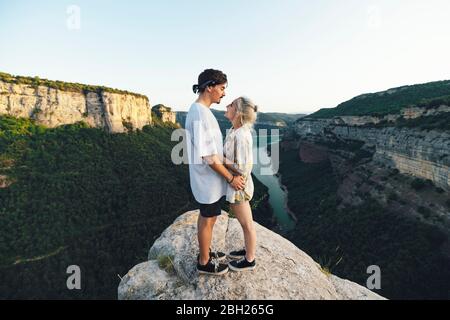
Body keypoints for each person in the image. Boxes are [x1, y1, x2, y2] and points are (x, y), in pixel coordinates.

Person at [185, 69, 245, 275]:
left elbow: (214, 152)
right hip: (208, 181)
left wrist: (231, 165)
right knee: (207, 218)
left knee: (209, 218)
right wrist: (230, 179)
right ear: (209, 87)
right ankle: (203, 262)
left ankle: (206, 252)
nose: (224, 93)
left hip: (209, 180)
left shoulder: (201, 111)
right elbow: (209, 157)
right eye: (221, 88)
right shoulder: (200, 114)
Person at [223, 97, 258, 271]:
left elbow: (243, 167)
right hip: (235, 184)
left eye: (230, 105)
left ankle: (250, 259)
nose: (226, 106)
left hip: (239, 187)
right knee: (245, 223)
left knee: (247, 224)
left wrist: (220, 160)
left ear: (238, 113)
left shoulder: (242, 136)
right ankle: (247, 250)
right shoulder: (234, 131)